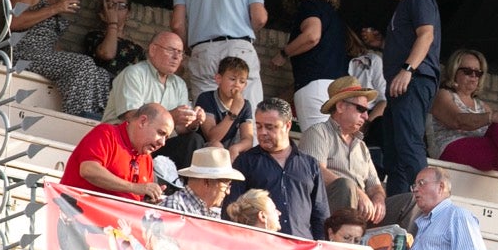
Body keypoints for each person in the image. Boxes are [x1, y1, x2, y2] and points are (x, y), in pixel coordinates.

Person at [5, 0, 112, 118]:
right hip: (23, 54)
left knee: (100, 74)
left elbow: (48, 40)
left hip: (43, 55)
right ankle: (77, 119)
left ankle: (95, 120)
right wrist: (55, 8)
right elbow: (13, 22)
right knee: (82, 64)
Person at [170, 0, 268, 106]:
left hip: (203, 51)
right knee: (248, 115)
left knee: (208, 116)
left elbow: (177, 25)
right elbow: (260, 18)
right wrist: (243, 31)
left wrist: (187, 48)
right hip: (240, 49)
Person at [428, 49, 498, 207]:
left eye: (478, 73)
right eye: (468, 71)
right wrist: (492, 117)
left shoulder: (482, 106)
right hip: (450, 149)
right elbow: (458, 121)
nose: (473, 77)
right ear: (454, 71)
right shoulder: (444, 95)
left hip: (479, 154)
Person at [376, 0, 443, 195]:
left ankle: (429, 202)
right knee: (394, 152)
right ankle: (399, 205)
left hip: (411, 81)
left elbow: (426, 34)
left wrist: (407, 70)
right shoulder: (405, 5)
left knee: (408, 143)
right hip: (400, 85)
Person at [229, 97, 328, 240]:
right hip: (262, 248)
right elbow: (232, 211)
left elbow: (320, 216)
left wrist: (320, 249)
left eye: (270, 127)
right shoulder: (245, 162)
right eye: (258, 126)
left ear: (287, 126)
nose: (262, 132)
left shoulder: (310, 165)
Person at [102, 32, 207, 162]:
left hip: (157, 145)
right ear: (153, 50)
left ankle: (179, 182)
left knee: (194, 140)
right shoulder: (134, 74)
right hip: (124, 142)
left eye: (180, 53)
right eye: (171, 50)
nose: (176, 57)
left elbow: (180, 129)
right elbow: (131, 118)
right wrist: (171, 116)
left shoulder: (179, 84)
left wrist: (192, 123)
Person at [270, 0, 351, 130]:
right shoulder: (333, 16)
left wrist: (283, 53)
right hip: (339, 88)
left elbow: (312, 36)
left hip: (316, 86)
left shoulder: (310, 6)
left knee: (316, 143)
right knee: (333, 146)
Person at [300, 76, 386, 224]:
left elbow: (374, 185)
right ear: (340, 106)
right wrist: (358, 193)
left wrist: (378, 199)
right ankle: (343, 241)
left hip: (362, 211)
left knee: (408, 201)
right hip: (330, 209)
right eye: (361, 109)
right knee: (345, 186)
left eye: (367, 110)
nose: (366, 116)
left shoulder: (362, 146)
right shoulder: (319, 132)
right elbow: (315, 170)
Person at [60, 103, 171, 203]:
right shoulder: (106, 134)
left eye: (166, 137)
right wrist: (134, 187)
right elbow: (88, 170)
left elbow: (136, 199)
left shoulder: (146, 158)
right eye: (161, 133)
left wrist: (148, 202)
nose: (163, 143)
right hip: (77, 218)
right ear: (143, 121)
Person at [194, 56, 255, 160]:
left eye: (242, 81)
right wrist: (233, 112)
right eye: (232, 79)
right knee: (216, 146)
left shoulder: (245, 105)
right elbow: (212, 137)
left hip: (230, 151)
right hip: (204, 151)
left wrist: (236, 148)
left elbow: (248, 139)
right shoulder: (206, 98)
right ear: (219, 79)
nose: (237, 85)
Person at [85, 0, 145, 83]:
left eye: (121, 6)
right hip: (98, 88)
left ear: (128, 14)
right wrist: (113, 23)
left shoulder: (137, 49)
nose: (115, 9)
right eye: (110, 5)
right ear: (102, 12)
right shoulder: (94, 36)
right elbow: (107, 53)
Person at [161, 146, 243, 218]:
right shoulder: (175, 207)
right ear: (207, 182)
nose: (228, 192)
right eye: (226, 185)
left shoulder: (212, 212)